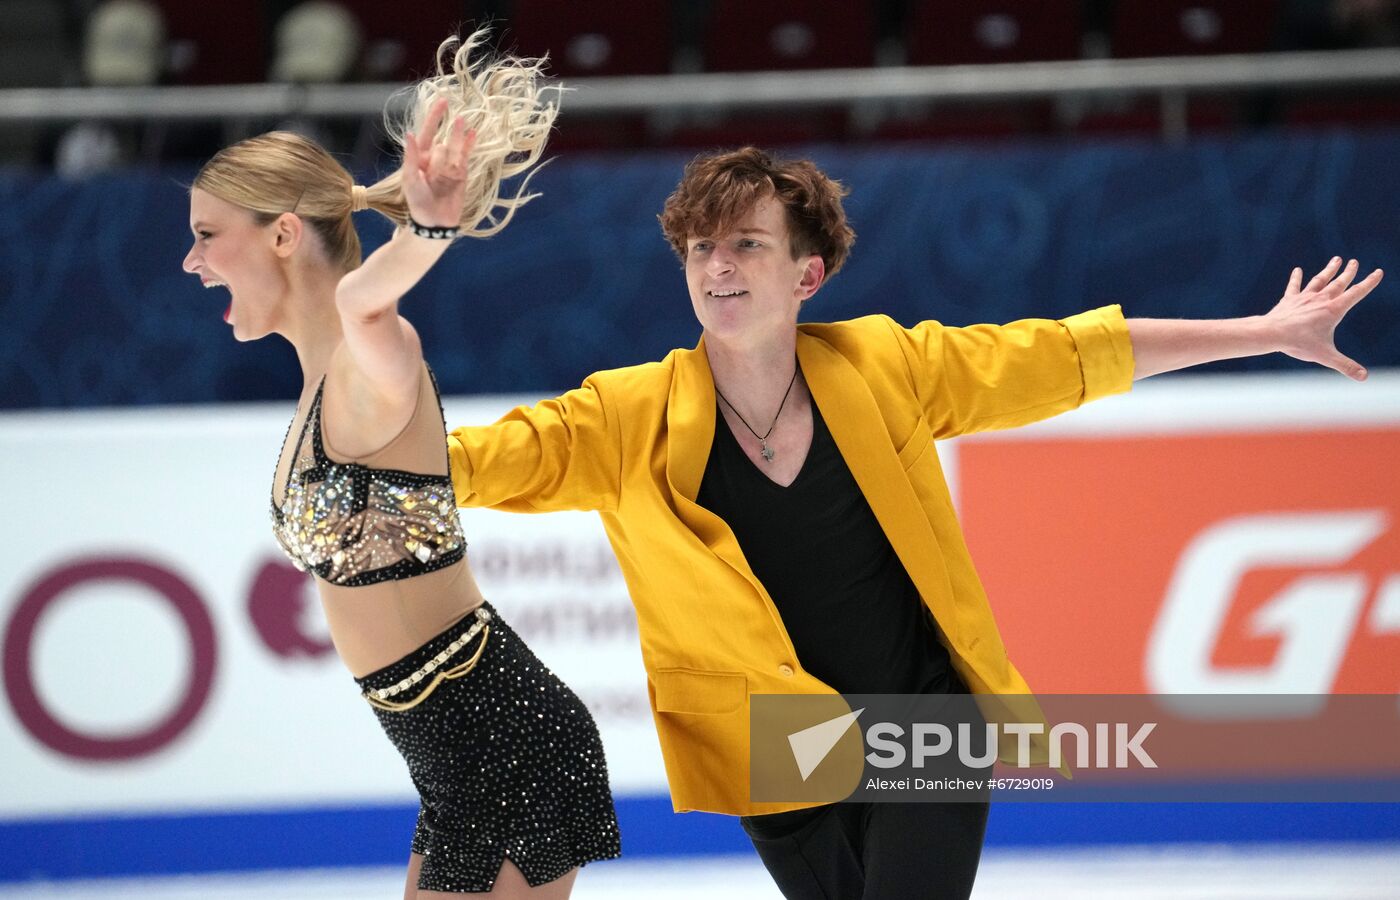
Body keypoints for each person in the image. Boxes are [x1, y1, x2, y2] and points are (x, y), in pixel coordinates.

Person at [445, 147, 1382, 899]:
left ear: (807, 273)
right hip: (777, 746)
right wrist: (356, 464)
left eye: (746, 245)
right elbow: (484, 461)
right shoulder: (626, 416)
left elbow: (1061, 355)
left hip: (922, 724)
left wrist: (1258, 333)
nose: (718, 266)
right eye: (701, 250)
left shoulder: (884, 367)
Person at [180, 32, 620, 899]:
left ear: (281, 236)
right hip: (460, 760)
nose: (191, 261)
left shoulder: (367, 363)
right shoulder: (321, 384)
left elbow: (370, 303)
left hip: (503, 742)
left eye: (205, 234)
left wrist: (425, 230)